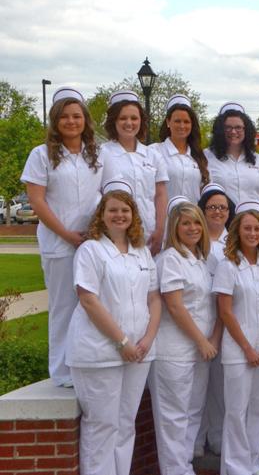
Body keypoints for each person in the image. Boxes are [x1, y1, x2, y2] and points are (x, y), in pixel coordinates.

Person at [66, 180, 161, 475]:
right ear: (101, 215)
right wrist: (122, 342)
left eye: (125, 210)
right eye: (113, 210)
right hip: (100, 352)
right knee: (101, 425)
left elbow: (154, 298)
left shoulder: (142, 252)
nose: (119, 215)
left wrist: (147, 338)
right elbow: (88, 300)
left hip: (139, 351)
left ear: (133, 215)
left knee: (124, 422)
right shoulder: (91, 251)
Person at [21, 86, 103, 387]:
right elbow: (38, 202)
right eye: (65, 117)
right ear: (56, 120)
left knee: (92, 306)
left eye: (77, 116)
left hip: (92, 244)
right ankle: (61, 372)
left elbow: (102, 196)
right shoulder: (41, 155)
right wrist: (67, 234)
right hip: (60, 243)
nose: (72, 121)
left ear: (85, 120)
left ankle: (85, 364)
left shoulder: (96, 153)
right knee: (63, 307)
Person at [151, 198, 221, 475]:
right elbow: (175, 306)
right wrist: (202, 341)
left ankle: (185, 466)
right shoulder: (170, 259)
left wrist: (210, 340)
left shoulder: (200, 260)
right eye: (185, 223)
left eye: (196, 223)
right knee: (173, 416)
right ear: (175, 228)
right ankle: (174, 470)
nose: (192, 228)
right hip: (176, 349)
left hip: (201, 350)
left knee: (193, 411)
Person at [213, 200, 259, 475]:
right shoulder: (227, 265)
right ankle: (235, 467)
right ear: (237, 232)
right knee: (237, 410)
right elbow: (225, 311)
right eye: (247, 229)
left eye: (257, 228)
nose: (253, 233)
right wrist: (247, 349)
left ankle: (253, 461)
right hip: (238, 348)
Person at [100, 90, 168, 254]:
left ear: (141, 121)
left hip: (149, 233)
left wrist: (159, 230)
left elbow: (160, 195)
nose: (129, 123)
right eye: (123, 118)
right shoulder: (101, 153)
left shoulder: (153, 155)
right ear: (114, 121)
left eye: (134, 118)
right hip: (115, 234)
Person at [195, 183, 235, 457]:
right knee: (196, 390)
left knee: (221, 389)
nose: (218, 212)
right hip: (197, 318)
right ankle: (196, 441)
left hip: (225, 322)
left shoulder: (234, 241)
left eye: (223, 207)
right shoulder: (193, 238)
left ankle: (219, 438)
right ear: (203, 210)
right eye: (212, 207)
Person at [151, 94, 210, 202]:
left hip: (193, 217)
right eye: (177, 121)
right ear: (168, 122)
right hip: (164, 218)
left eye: (186, 122)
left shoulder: (199, 156)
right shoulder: (154, 151)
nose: (182, 126)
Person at [204, 102, 259, 206]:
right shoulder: (207, 157)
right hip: (221, 219)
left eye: (238, 127)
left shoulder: (258, 159)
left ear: (246, 130)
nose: (233, 132)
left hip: (254, 220)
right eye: (228, 127)